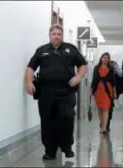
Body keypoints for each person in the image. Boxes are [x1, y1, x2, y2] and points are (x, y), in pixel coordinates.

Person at [25, 24, 87, 160]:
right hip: (46, 92)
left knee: (66, 120)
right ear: (49, 35)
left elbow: (83, 65)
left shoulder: (71, 49)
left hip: (66, 91)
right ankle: (50, 150)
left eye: (59, 34)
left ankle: (67, 147)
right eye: (54, 34)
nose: (56, 36)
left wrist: (78, 77)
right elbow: (30, 67)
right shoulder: (41, 51)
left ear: (62, 35)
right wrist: (29, 82)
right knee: (47, 121)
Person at [91, 52, 116, 134]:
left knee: (106, 109)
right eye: (104, 57)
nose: (105, 59)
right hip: (98, 91)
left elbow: (113, 82)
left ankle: (104, 128)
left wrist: (114, 93)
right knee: (100, 109)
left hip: (108, 91)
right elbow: (94, 80)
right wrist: (91, 91)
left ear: (109, 59)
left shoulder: (111, 69)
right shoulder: (96, 68)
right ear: (101, 58)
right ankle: (102, 124)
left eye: (107, 58)